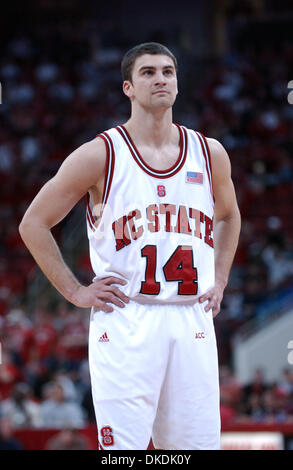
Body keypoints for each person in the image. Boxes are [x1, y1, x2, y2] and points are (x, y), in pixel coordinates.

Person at [19, 42, 241, 450]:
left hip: (191, 317)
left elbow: (229, 216)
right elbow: (33, 223)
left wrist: (221, 277)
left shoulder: (211, 154)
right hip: (127, 318)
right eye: (149, 72)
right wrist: (76, 291)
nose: (161, 79)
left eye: (168, 72)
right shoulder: (100, 154)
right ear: (128, 88)